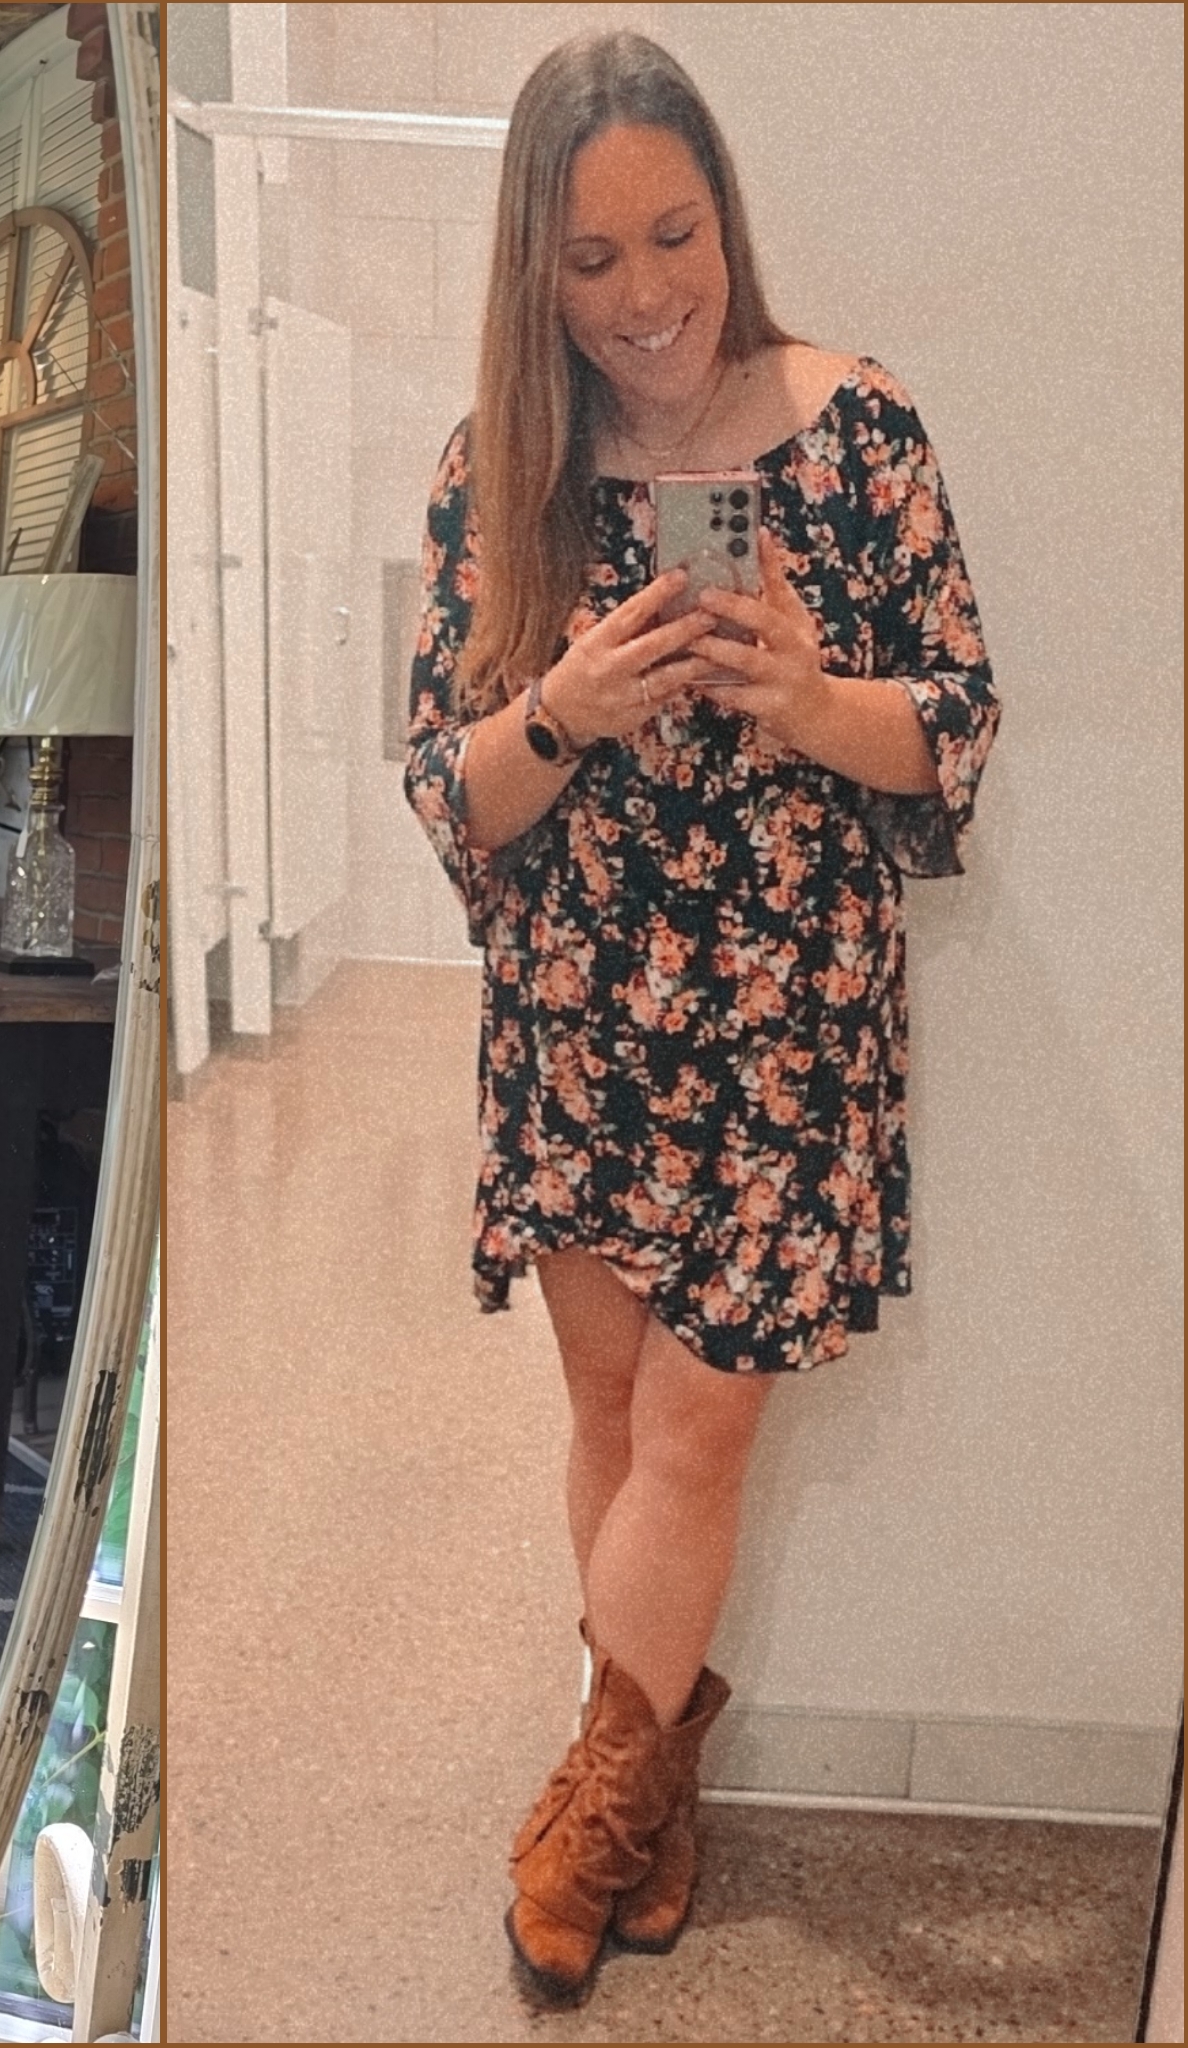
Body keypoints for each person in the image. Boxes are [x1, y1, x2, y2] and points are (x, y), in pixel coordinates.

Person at [403, 30, 998, 2005]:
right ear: (532, 275)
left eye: (678, 234)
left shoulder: (858, 427)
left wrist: (802, 695)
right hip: (579, 1006)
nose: (649, 294)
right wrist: (571, 699)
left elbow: (951, 731)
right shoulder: (504, 470)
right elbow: (447, 787)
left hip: (787, 1015)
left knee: (697, 1420)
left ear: (726, 213)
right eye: (591, 260)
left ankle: (590, 1797)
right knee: (600, 1410)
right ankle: (652, 1790)